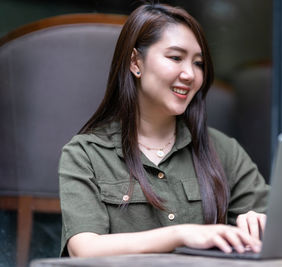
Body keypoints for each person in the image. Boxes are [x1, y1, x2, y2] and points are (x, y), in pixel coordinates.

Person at [59, 3, 269, 258]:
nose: (190, 74)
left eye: (199, 63)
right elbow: (84, 249)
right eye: (175, 58)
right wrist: (181, 234)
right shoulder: (85, 154)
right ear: (135, 62)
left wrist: (259, 220)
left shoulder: (223, 150)